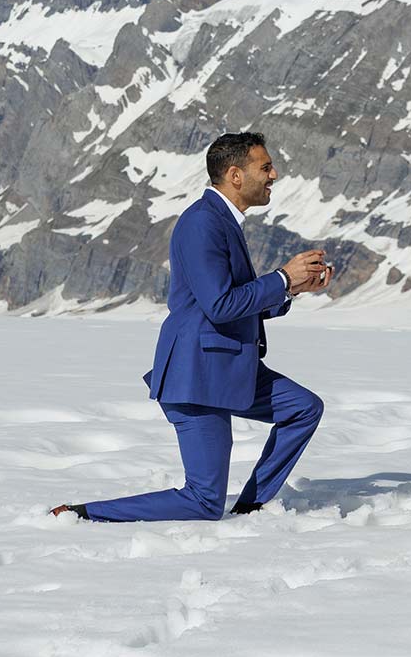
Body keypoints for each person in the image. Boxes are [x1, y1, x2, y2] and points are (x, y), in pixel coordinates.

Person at [50, 131, 330, 522]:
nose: (274, 175)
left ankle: (252, 507)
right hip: (197, 376)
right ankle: (82, 514)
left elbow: (229, 303)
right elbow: (219, 305)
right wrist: (282, 278)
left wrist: (291, 290)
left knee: (303, 408)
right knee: (203, 501)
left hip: (229, 368)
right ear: (235, 175)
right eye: (265, 167)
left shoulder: (223, 221)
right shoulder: (202, 223)